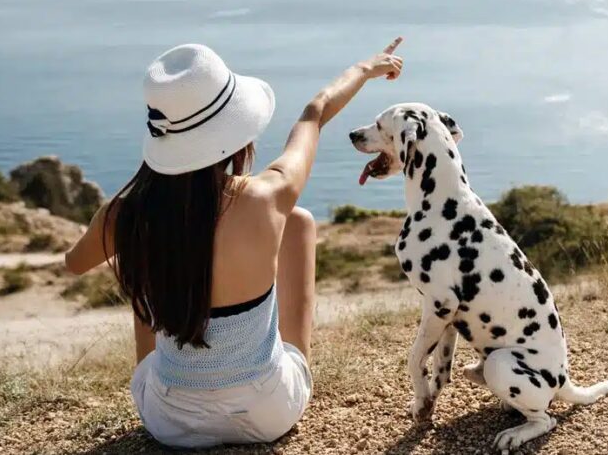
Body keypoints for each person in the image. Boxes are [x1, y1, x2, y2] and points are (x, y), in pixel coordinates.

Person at [65, 37, 404, 448]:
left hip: (170, 421)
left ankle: (185, 378)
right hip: (269, 412)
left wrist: (133, 206)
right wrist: (366, 69)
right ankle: (285, 366)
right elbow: (314, 113)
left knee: (146, 251)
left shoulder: (127, 214)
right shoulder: (267, 197)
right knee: (297, 222)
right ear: (236, 134)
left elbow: (74, 263)